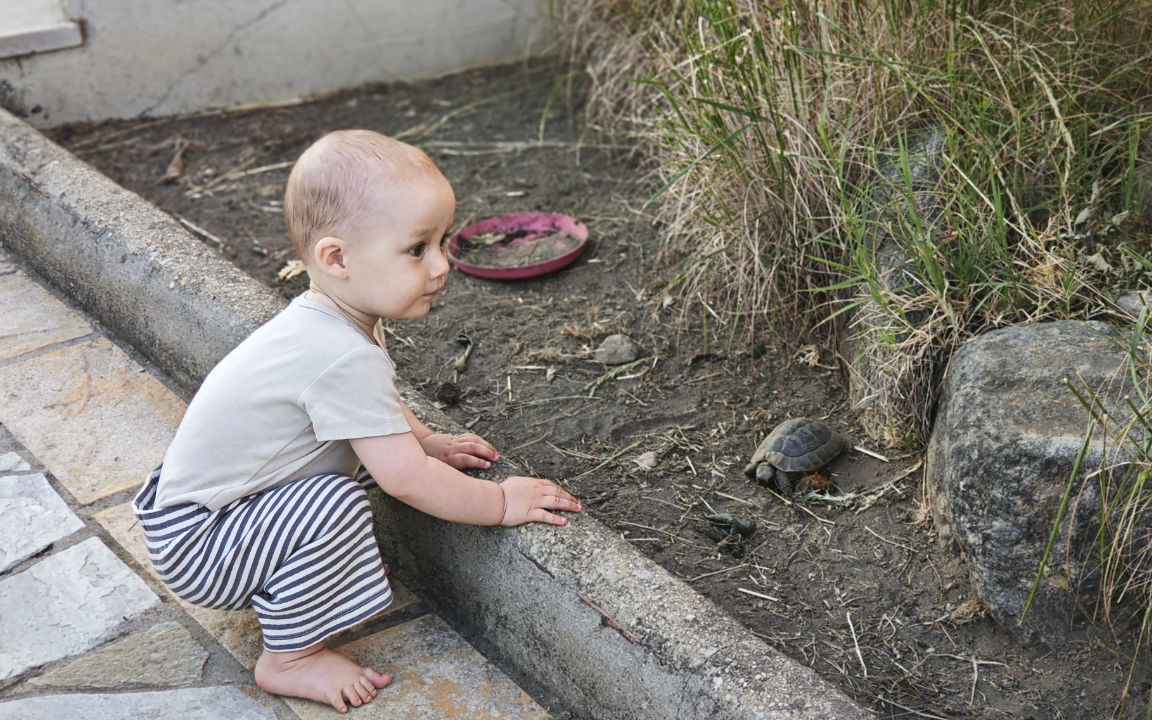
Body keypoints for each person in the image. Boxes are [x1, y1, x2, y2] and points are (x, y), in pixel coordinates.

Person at [132, 129, 581, 713]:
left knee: (365, 460)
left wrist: (427, 441)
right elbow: (407, 480)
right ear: (337, 259)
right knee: (337, 503)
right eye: (417, 249)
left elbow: (375, 409)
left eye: (441, 241)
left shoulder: (330, 321)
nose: (441, 265)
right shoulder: (339, 353)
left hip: (207, 517)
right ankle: (290, 658)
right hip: (201, 544)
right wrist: (500, 503)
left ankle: (312, 575)